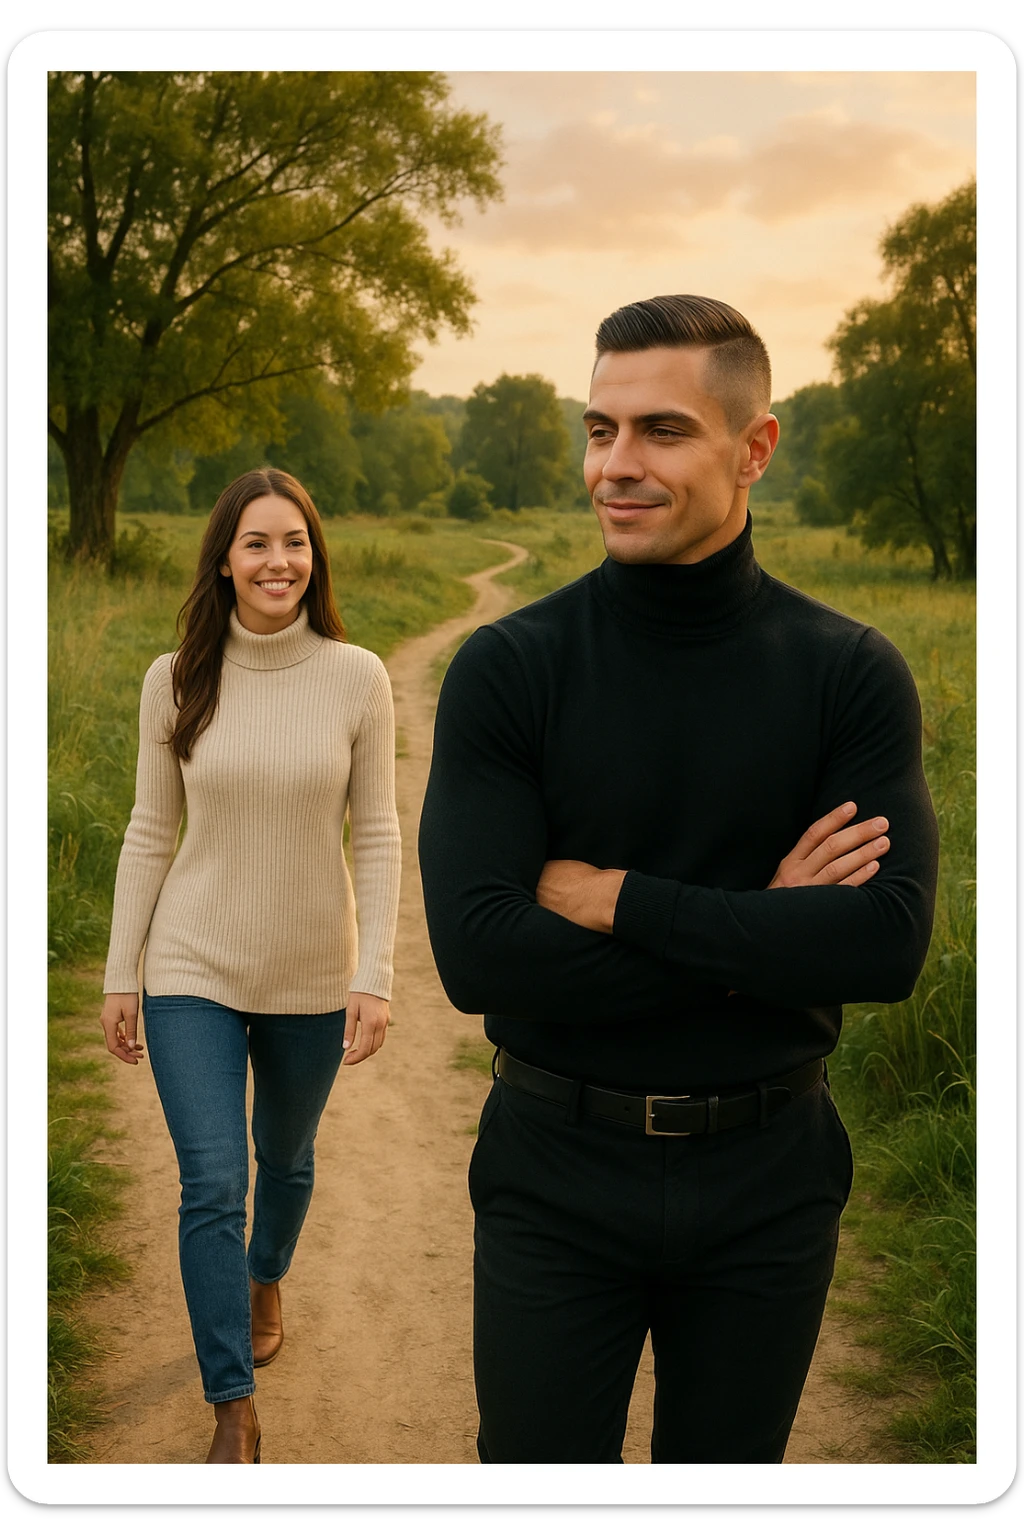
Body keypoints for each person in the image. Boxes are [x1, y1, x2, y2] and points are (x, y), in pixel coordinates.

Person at [418, 295, 939, 1464]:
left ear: (751, 448)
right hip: (555, 1171)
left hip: (770, 1177)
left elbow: (884, 946)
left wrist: (622, 900)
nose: (615, 465)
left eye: (660, 430)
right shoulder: (511, 668)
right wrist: (763, 928)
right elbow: (479, 957)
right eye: (598, 430)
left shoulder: (847, 673)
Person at [100, 467, 401, 1464]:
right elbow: (151, 830)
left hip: (311, 970)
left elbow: (378, 835)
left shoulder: (357, 677)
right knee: (211, 1184)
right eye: (257, 544)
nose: (279, 561)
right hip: (192, 962)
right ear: (224, 561)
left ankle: (265, 1273)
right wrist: (120, 973)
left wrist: (375, 974)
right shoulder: (176, 677)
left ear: (315, 558)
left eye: (295, 543)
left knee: (288, 1158)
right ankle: (231, 1404)